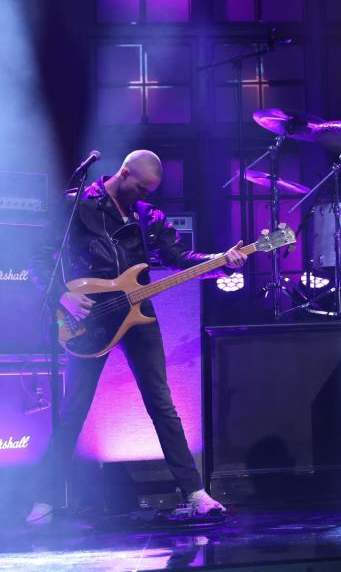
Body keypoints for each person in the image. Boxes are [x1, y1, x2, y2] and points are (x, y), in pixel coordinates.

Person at [25, 150, 248, 524]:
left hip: (137, 314)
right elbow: (39, 257)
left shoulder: (148, 217)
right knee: (73, 409)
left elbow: (179, 258)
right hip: (90, 317)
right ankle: (44, 497)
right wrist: (61, 296)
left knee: (161, 402)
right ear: (124, 173)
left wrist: (220, 261)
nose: (142, 196)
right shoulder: (80, 204)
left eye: (149, 191)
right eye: (140, 188)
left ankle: (194, 493)